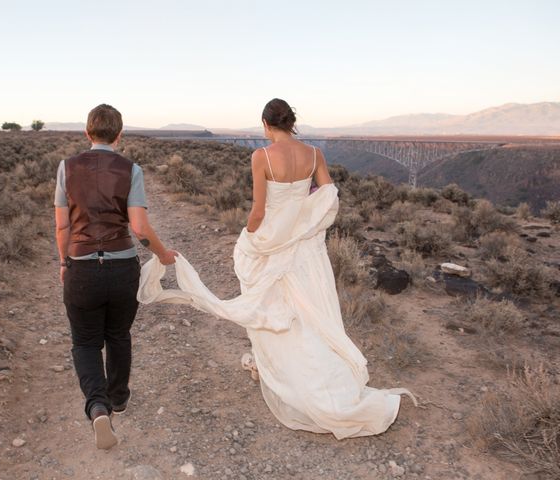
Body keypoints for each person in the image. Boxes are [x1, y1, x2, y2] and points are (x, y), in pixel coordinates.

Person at [138, 98, 415, 439]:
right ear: (291, 123)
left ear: (266, 124)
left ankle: (285, 372)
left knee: (273, 305)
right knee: (309, 311)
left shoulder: (262, 156)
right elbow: (329, 195)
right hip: (304, 247)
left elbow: (257, 210)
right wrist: (304, 217)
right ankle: (317, 376)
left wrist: (251, 236)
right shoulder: (314, 154)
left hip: (272, 242)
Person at [54, 104, 177, 450]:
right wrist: (163, 254)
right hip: (123, 267)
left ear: (87, 133)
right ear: (119, 135)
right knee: (118, 334)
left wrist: (65, 261)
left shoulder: (67, 168)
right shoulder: (130, 169)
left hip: (82, 268)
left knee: (86, 342)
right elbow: (139, 227)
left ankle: (97, 406)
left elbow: (62, 225)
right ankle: (118, 398)